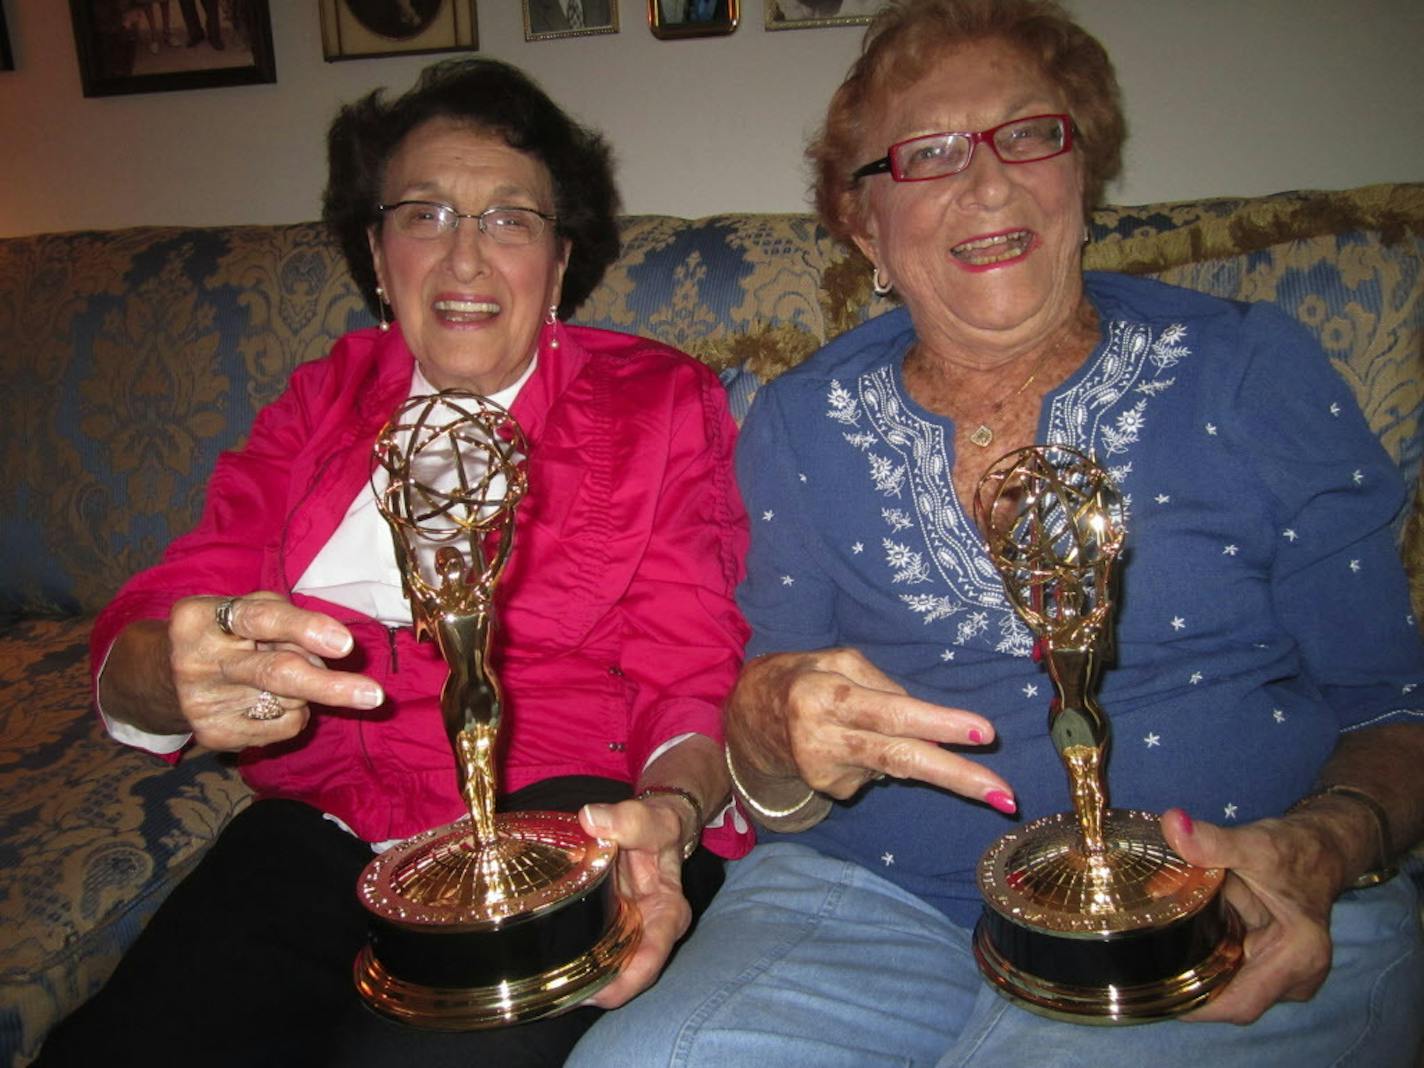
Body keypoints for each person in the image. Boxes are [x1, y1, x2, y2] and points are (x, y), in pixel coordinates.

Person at [569, 2, 1424, 1066]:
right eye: (927, 155)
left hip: (1218, 891)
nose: (986, 182)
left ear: (1081, 170)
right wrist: (764, 719)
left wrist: (1322, 844)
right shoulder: (800, 423)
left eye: (1027, 134)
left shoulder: (1247, 368)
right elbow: (772, 787)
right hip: (871, 900)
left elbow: (1395, 706)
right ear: (861, 225)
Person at [38, 58, 749, 1068]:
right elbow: (167, 607)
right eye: (424, 215)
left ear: (558, 261)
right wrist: (175, 672)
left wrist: (667, 816)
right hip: (318, 834)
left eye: (509, 220)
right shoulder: (321, 398)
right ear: (377, 254)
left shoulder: (657, 403)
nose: (464, 259)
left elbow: (692, 669)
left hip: (565, 828)